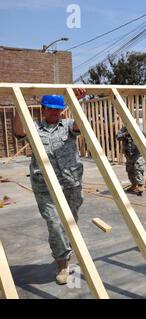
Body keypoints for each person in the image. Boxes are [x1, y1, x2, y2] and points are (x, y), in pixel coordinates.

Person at [13, 90, 86, 285]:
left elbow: (81, 126)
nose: (56, 113)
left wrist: (76, 102)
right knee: (54, 223)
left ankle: (67, 250)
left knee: (70, 223)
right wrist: (20, 104)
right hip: (45, 185)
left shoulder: (68, 125)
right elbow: (19, 132)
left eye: (59, 109)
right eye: (51, 109)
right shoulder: (34, 127)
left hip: (71, 183)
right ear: (43, 109)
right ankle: (62, 263)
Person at [116, 126, 144, 195]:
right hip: (128, 153)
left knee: (138, 168)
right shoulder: (123, 129)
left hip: (136, 153)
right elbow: (118, 137)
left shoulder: (137, 128)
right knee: (130, 169)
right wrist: (126, 133)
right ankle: (133, 185)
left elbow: (143, 137)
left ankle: (140, 185)